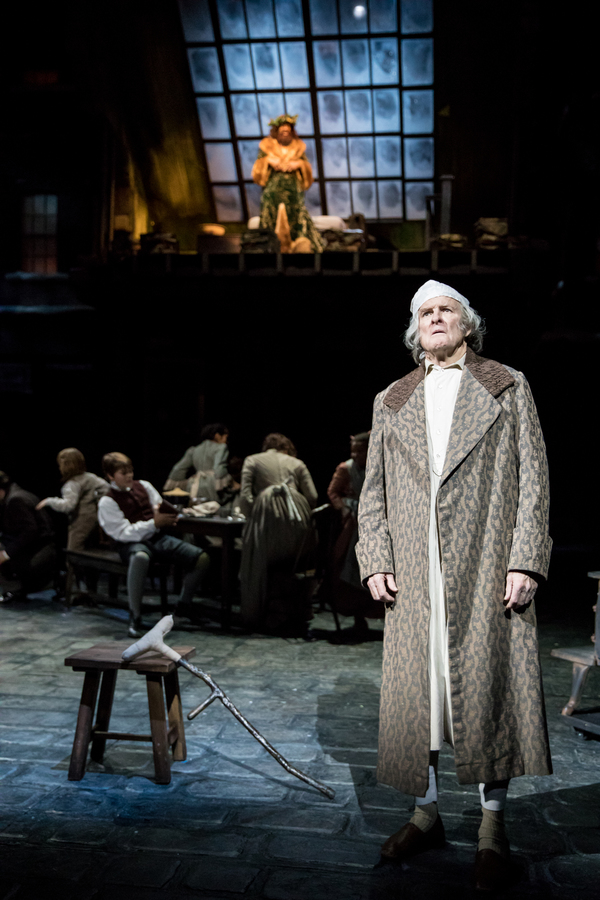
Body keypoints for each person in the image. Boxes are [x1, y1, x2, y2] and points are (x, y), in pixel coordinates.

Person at [356, 280, 552, 891]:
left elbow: (534, 482)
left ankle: (492, 825)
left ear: (467, 325)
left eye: (446, 311)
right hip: (416, 574)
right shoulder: (392, 399)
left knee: (487, 693)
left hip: (485, 565)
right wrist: (375, 557)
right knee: (425, 698)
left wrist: (526, 559)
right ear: (415, 330)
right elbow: (374, 492)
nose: (435, 319)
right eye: (425, 313)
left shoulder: (506, 385)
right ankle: (427, 814)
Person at [98, 452, 209, 637]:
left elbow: (158, 506)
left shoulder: (144, 486)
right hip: (130, 543)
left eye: (130, 471)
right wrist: (154, 523)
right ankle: (135, 615)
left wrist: (165, 514)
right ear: (110, 475)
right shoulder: (107, 501)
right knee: (140, 557)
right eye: (123, 473)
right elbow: (124, 532)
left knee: (201, 558)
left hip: (156, 538)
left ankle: (184, 605)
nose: (129, 476)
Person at [239, 433, 318, 635]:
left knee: (257, 561)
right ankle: (289, 611)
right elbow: (312, 496)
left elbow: (245, 496)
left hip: (266, 520)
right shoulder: (297, 463)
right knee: (292, 560)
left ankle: (258, 612)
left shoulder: (253, 460)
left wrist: (252, 519)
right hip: (297, 523)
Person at [327, 432, 383, 643]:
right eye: (353, 450)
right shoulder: (346, 468)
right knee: (349, 567)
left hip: (375, 520)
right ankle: (358, 616)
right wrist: (345, 509)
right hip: (352, 525)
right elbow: (333, 493)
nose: (355, 454)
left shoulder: (378, 466)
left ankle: (377, 613)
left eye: (360, 450)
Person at [252, 114, 323, 254]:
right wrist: (268, 162)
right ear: (276, 132)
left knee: (296, 214)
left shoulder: (298, 148)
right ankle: (272, 246)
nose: (285, 133)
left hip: (292, 189)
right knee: (271, 214)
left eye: (288, 131)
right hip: (273, 189)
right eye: (282, 131)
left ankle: (298, 246)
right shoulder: (267, 147)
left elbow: (307, 169)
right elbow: (257, 169)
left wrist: (298, 164)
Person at [0, 471, 56, 602]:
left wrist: (6, 554)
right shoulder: (12, 495)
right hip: (34, 545)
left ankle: (15, 590)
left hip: (41, 550)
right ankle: (15, 590)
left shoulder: (16, 499)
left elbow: (30, 531)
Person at [37, 448, 108, 551]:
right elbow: (106, 489)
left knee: (73, 553)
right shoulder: (90, 477)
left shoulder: (72, 484)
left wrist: (49, 501)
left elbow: (68, 506)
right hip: (95, 521)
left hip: (81, 523)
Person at [164, 423, 231, 504]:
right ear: (217, 435)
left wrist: (173, 484)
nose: (226, 441)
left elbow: (178, 469)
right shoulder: (221, 447)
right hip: (211, 485)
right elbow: (219, 467)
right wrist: (224, 484)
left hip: (194, 484)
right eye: (225, 437)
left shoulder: (194, 450)